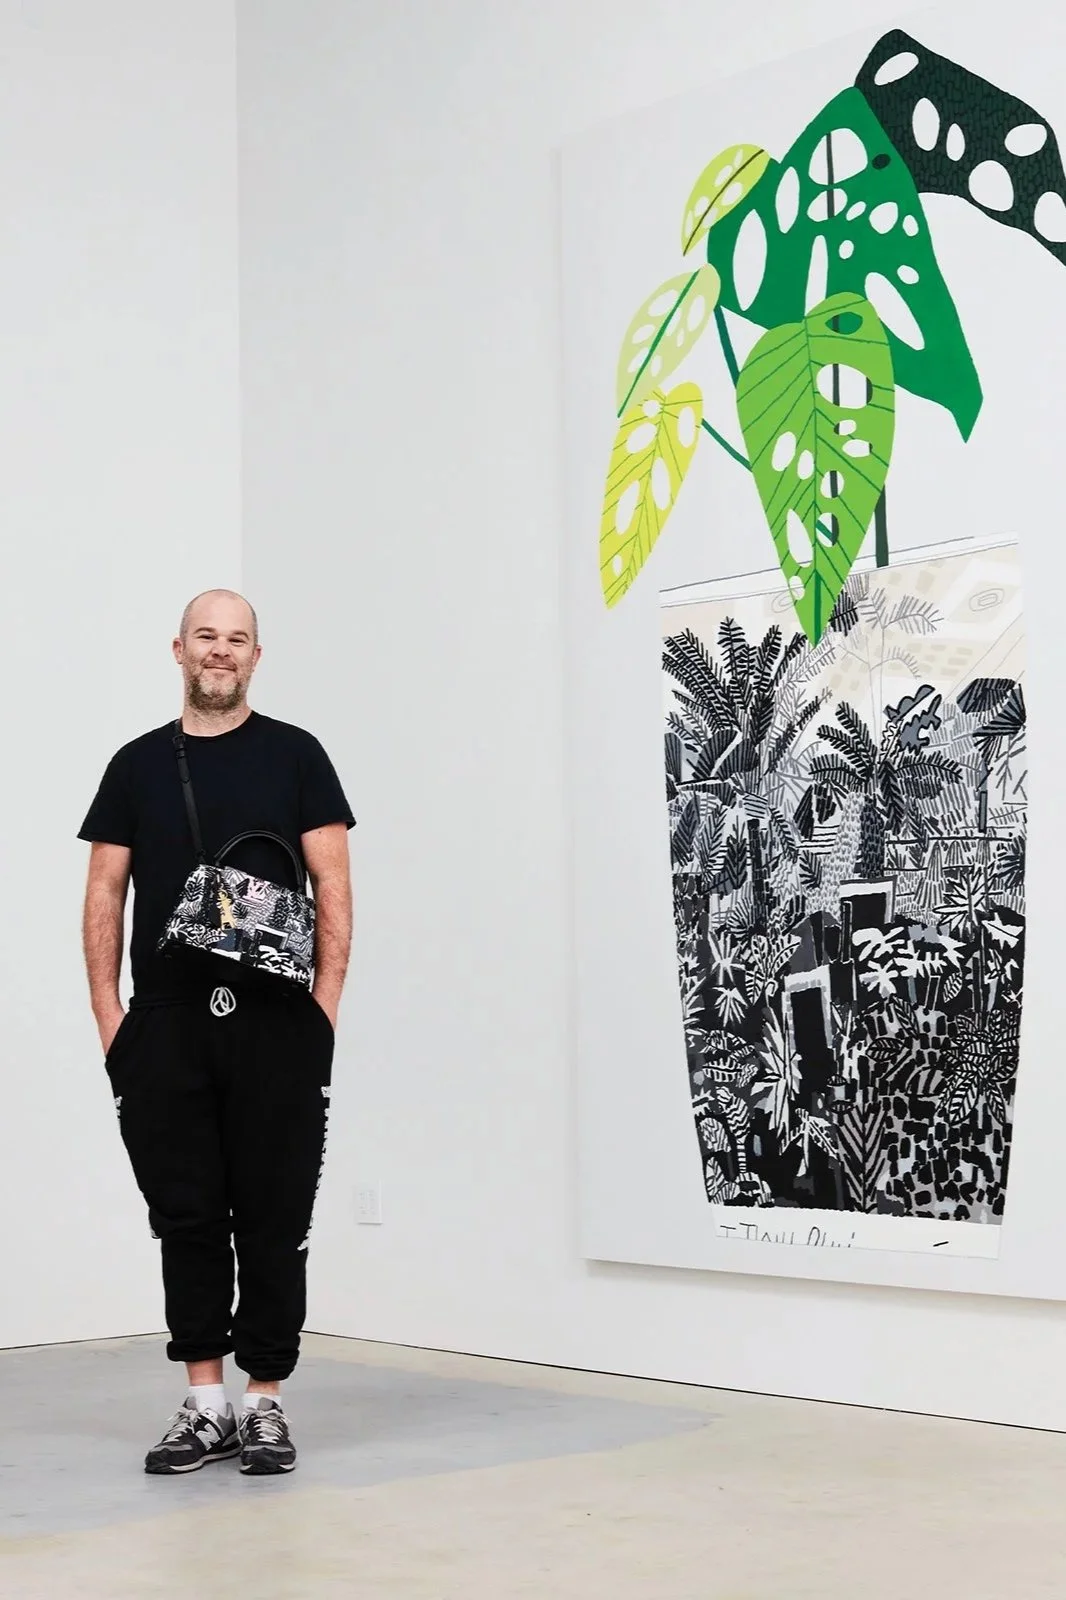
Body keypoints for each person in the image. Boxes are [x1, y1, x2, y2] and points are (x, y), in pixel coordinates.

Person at [79, 589, 354, 1476]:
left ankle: (264, 1401)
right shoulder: (134, 766)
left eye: (238, 639)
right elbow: (103, 895)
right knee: (187, 1216)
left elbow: (334, 884)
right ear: (178, 650)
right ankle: (205, 1403)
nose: (221, 652)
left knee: (275, 1216)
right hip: (163, 1028)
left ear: (256, 656)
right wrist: (110, 1018)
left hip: (279, 1025)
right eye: (208, 637)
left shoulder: (297, 755)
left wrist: (325, 1007)